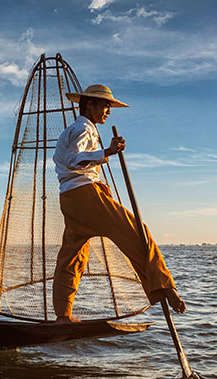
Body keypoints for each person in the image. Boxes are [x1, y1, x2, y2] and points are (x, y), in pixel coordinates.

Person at [52, 84, 186, 323]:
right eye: (105, 105)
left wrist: (99, 173)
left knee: (72, 257)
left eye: (109, 106)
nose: (108, 111)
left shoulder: (72, 130)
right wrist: (108, 151)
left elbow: (73, 164)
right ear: (90, 104)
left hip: (70, 199)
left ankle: (63, 314)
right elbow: (74, 160)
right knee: (137, 233)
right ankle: (164, 287)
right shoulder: (84, 129)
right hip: (85, 197)